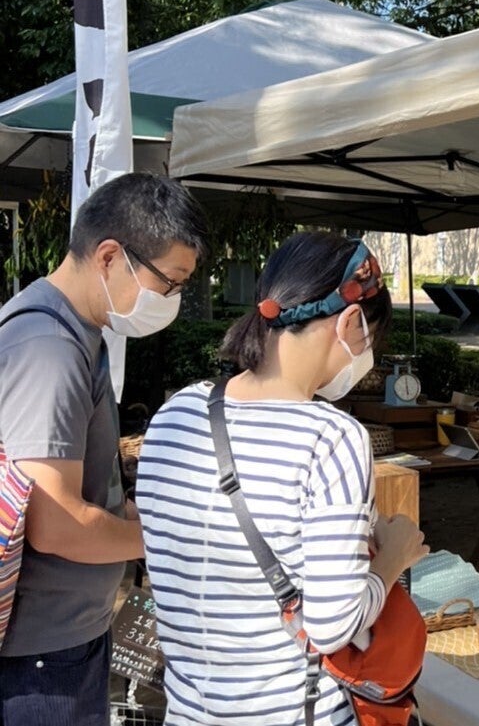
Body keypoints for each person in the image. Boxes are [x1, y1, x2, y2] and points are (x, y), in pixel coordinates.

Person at [135, 232, 428, 725]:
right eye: (372, 340)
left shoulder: (176, 414)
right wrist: (394, 557)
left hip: (187, 713)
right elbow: (333, 626)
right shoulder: (331, 437)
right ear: (351, 323)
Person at [0, 173, 207, 725]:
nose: (171, 299)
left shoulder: (74, 333)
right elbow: (55, 524)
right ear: (111, 256)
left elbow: (81, 489)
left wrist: (131, 515)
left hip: (62, 640)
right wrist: (164, 539)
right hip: (41, 658)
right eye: (169, 282)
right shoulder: (49, 347)